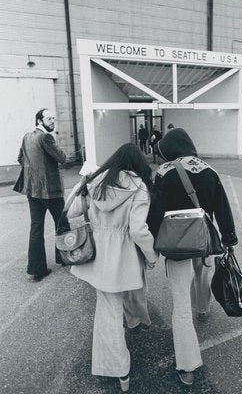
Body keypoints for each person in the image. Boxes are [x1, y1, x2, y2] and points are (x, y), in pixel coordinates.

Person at [147, 128, 238, 387]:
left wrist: (152, 246)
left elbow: (154, 213)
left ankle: (187, 364)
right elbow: (223, 207)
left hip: (176, 243)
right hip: (204, 237)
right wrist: (229, 239)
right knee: (203, 274)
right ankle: (204, 308)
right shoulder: (209, 170)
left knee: (180, 301)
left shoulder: (163, 173)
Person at [66, 143, 159, 392]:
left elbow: (72, 209)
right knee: (122, 301)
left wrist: (83, 186)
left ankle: (120, 365)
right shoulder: (139, 187)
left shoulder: (96, 181)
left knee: (108, 310)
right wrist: (151, 256)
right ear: (138, 163)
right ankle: (121, 367)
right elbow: (139, 230)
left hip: (98, 256)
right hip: (125, 256)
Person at [13, 108, 67, 281]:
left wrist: (35, 171)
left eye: (54, 118)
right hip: (50, 190)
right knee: (62, 223)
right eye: (49, 118)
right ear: (39, 121)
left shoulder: (26, 137)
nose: (53, 121)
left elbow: (20, 159)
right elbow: (62, 158)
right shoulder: (46, 137)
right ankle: (65, 257)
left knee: (36, 228)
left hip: (32, 190)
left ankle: (37, 269)